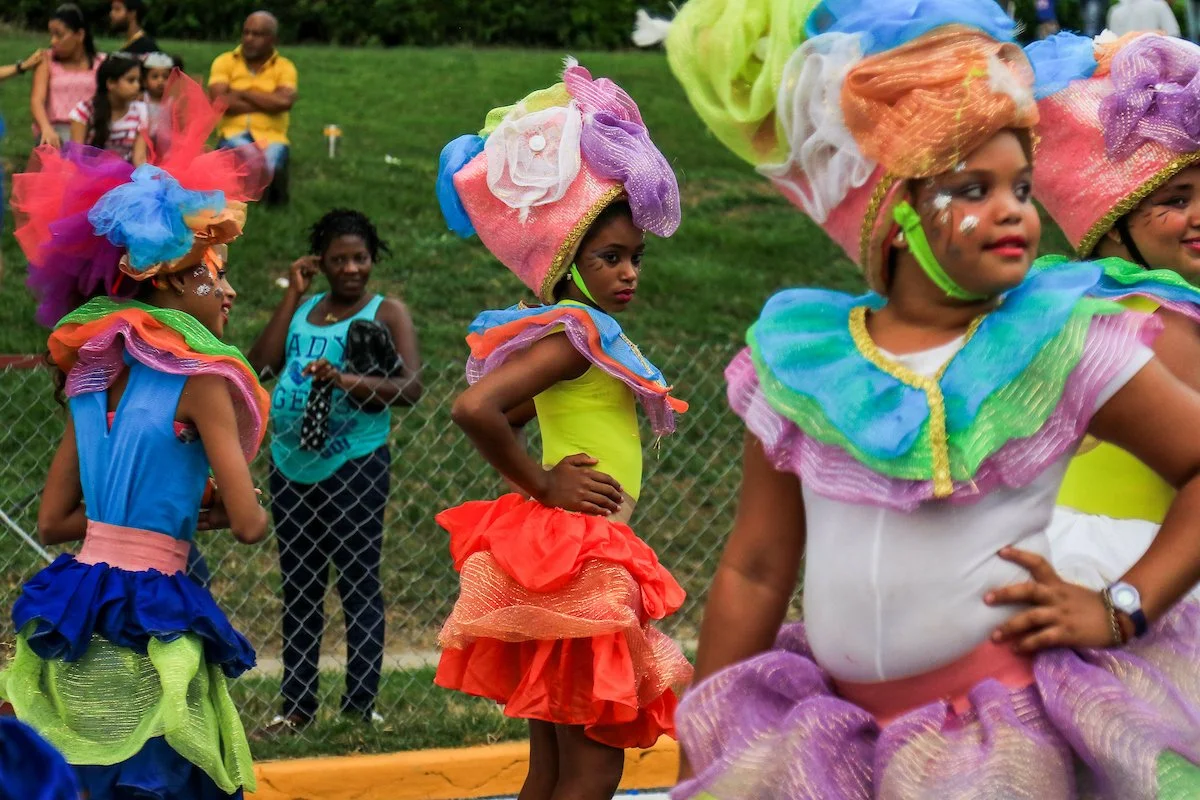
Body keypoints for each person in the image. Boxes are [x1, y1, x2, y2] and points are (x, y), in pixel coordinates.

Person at [664, 0, 1200, 796]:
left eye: (1021, 183)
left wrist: (1123, 607)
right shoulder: (805, 367)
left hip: (999, 741)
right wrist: (708, 746)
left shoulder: (1063, 344)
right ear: (894, 216)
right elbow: (755, 565)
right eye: (972, 187)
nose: (1015, 206)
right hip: (835, 737)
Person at [1, 71, 270, 799]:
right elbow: (247, 524)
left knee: (84, 772)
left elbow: (55, 521)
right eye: (217, 276)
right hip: (154, 615)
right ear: (176, 284)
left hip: (79, 604)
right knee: (161, 777)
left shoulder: (86, 381)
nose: (230, 292)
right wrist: (203, 512)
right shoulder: (204, 383)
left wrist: (137, 518)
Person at [433, 60, 693, 800]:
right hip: (581, 555)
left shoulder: (579, 338)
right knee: (592, 762)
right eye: (609, 258)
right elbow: (473, 409)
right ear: (563, 263)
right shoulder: (575, 334)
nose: (629, 272)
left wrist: (544, 455)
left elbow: (511, 409)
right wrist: (543, 480)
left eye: (634, 257)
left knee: (553, 764)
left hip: (566, 551)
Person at [1029, 32, 1200, 593]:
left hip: (1054, 546)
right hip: (1145, 562)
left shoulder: (1060, 304)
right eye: (1175, 201)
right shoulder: (1168, 322)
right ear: (1111, 219)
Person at [246, 209, 422, 735]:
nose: (351, 268)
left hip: (355, 464)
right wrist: (291, 295)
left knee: (356, 582)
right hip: (291, 464)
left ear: (372, 259)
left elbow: (409, 389)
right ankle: (295, 708)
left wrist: (343, 378)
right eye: (338, 259)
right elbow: (261, 365)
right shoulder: (304, 309)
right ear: (318, 262)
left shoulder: (385, 311)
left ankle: (358, 707)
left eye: (360, 258)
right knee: (299, 585)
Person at [208, 11, 297, 206]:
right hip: (233, 133)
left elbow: (284, 103)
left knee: (271, 165)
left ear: (272, 39)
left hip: (272, 136)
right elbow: (220, 102)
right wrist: (268, 100)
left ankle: (272, 203)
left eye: (257, 34)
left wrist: (242, 93)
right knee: (252, 161)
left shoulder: (284, 67)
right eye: (246, 32)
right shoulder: (224, 61)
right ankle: (255, 195)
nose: (249, 39)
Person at [31, 4, 104, 149]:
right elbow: (37, 100)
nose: (53, 41)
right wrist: (46, 128)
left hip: (91, 131)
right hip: (56, 132)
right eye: (51, 35)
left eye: (59, 35)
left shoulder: (100, 63)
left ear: (80, 35)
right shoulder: (47, 60)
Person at [69, 54, 147, 165]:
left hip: (125, 176)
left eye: (138, 81)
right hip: (89, 174)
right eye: (131, 80)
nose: (137, 86)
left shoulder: (140, 111)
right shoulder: (85, 111)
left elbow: (139, 158)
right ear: (110, 83)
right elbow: (76, 157)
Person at [141, 51, 180, 157]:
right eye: (155, 77)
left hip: (166, 149)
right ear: (144, 81)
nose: (160, 81)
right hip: (145, 146)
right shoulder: (142, 99)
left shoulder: (171, 102)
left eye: (165, 77)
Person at [1108, 0, 1181, 35]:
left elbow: (1113, 45)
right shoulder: (1159, 6)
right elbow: (1174, 35)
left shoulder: (1114, 12)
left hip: (1125, 63)